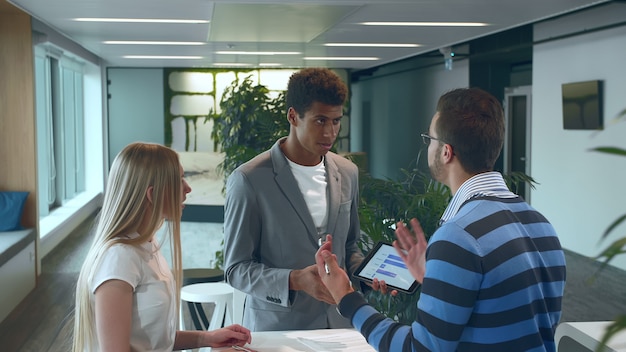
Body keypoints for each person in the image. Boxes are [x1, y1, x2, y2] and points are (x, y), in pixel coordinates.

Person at [315, 87, 567, 351]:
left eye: (430, 139)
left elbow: (419, 348)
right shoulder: (540, 223)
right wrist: (434, 277)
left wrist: (346, 297)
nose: (428, 146)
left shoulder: (460, 235)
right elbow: (512, 315)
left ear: (446, 152)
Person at [223, 67, 370, 331]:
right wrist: (294, 280)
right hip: (279, 330)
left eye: (336, 121)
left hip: (340, 326)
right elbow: (235, 269)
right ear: (293, 116)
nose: (330, 132)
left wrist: (370, 275)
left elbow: (349, 249)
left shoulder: (347, 173)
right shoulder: (249, 179)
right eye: (320, 120)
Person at [72, 142, 252, 351]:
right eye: (179, 180)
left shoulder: (147, 245)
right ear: (152, 194)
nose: (188, 188)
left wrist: (207, 337)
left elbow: (155, 340)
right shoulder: (118, 259)